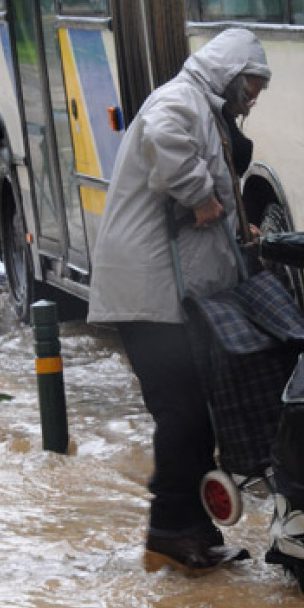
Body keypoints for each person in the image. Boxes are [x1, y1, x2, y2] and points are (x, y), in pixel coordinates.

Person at [87, 28, 270, 575]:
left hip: (165, 294)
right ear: (230, 76)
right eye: (251, 88)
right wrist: (199, 196)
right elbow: (164, 136)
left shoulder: (205, 108)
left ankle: (193, 531)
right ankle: (169, 531)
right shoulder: (180, 99)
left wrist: (234, 223)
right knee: (183, 414)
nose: (253, 101)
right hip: (147, 293)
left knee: (196, 413)